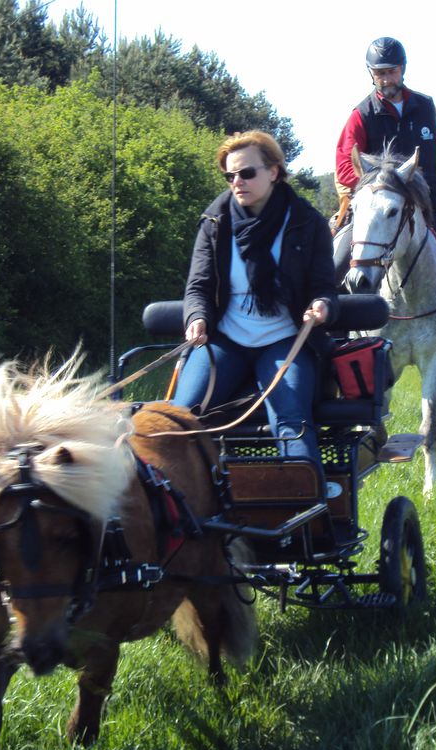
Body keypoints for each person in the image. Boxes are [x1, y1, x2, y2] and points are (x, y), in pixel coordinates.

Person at [172, 130, 340, 490]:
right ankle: (181, 504)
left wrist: (321, 305)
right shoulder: (214, 223)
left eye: (247, 173)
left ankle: (309, 507)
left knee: (291, 419)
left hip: (284, 340)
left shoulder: (308, 223)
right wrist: (197, 317)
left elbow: (324, 286)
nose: (237, 182)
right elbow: (198, 287)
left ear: (274, 172)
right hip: (225, 340)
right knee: (180, 417)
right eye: (230, 176)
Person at [335, 36, 436, 372]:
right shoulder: (360, 115)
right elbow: (345, 165)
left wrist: (427, 202)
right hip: (372, 213)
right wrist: (386, 185)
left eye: (391, 71)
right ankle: (332, 342)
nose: (386, 78)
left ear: (402, 69)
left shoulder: (425, 106)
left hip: (424, 211)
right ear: (371, 74)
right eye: (379, 73)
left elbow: (432, 162)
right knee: (332, 264)